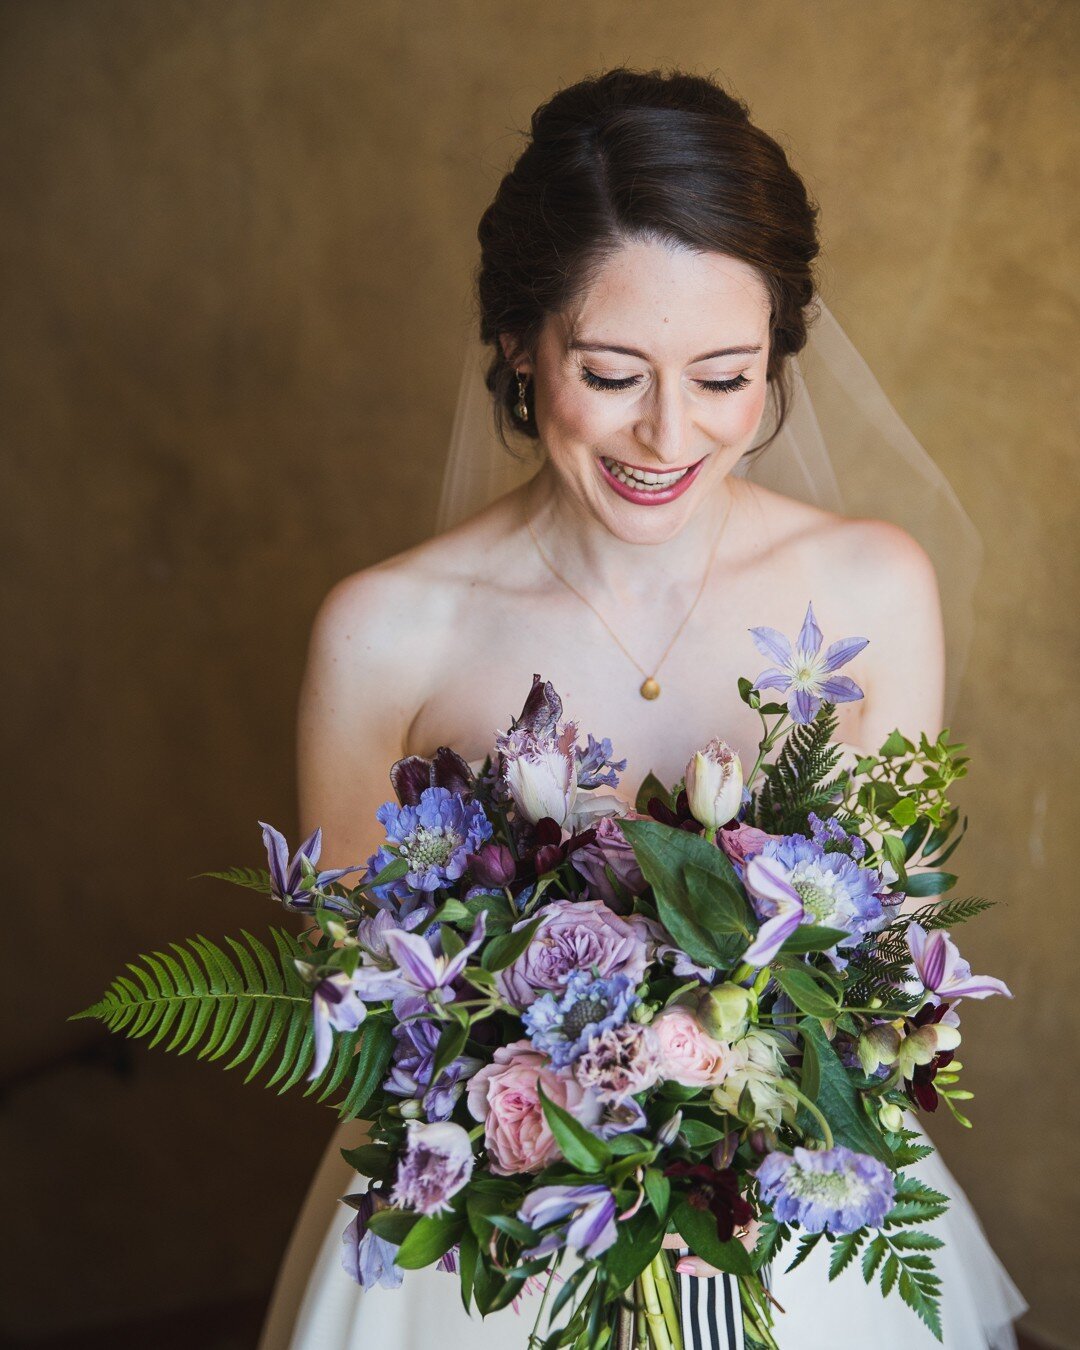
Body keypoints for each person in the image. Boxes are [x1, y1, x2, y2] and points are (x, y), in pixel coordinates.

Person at [257, 67, 1026, 1350]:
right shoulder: (386, 631)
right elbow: (354, 1017)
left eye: (725, 377)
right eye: (612, 371)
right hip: (486, 1256)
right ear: (519, 341)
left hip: (805, 1241)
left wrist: (730, 1100)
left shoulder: (872, 588)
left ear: (780, 354)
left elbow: (895, 966)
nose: (668, 435)